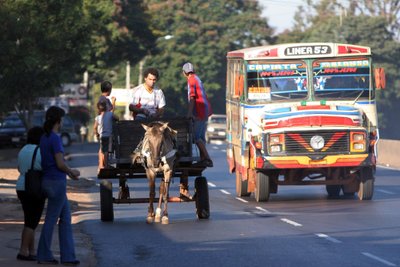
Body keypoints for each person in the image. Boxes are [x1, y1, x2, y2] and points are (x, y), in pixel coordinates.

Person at [37, 106, 80, 265]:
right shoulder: (55, 138)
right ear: (58, 121)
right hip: (56, 182)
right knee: (51, 219)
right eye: (61, 119)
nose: (62, 122)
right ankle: (43, 254)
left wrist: (69, 173)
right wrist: (71, 171)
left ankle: (68, 257)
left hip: (48, 180)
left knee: (65, 218)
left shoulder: (44, 137)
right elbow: (60, 163)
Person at [15, 126, 45, 261]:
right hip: (34, 188)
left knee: (29, 220)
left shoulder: (23, 150)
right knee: (32, 222)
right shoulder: (40, 151)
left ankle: (31, 251)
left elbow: (19, 168)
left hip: (21, 187)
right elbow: (45, 168)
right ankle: (22, 251)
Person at [182, 62, 213, 168]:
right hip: (204, 110)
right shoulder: (197, 78)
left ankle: (207, 158)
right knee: (201, 137)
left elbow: (192, 98)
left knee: (196, 137)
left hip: (199, 111)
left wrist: (189, 113)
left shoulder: (191, 80)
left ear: (184, 73)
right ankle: (202, 159)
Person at [94, 101, 117, 171]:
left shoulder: (98, 117)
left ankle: (101, 165)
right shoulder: (110, 114)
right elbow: (116, 118)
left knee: (102, 150)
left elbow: (95, 127)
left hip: (102, 136)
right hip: (108, 136)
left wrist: (97, 134)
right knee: (106, 151)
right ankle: (106, 165)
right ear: (106, 107)